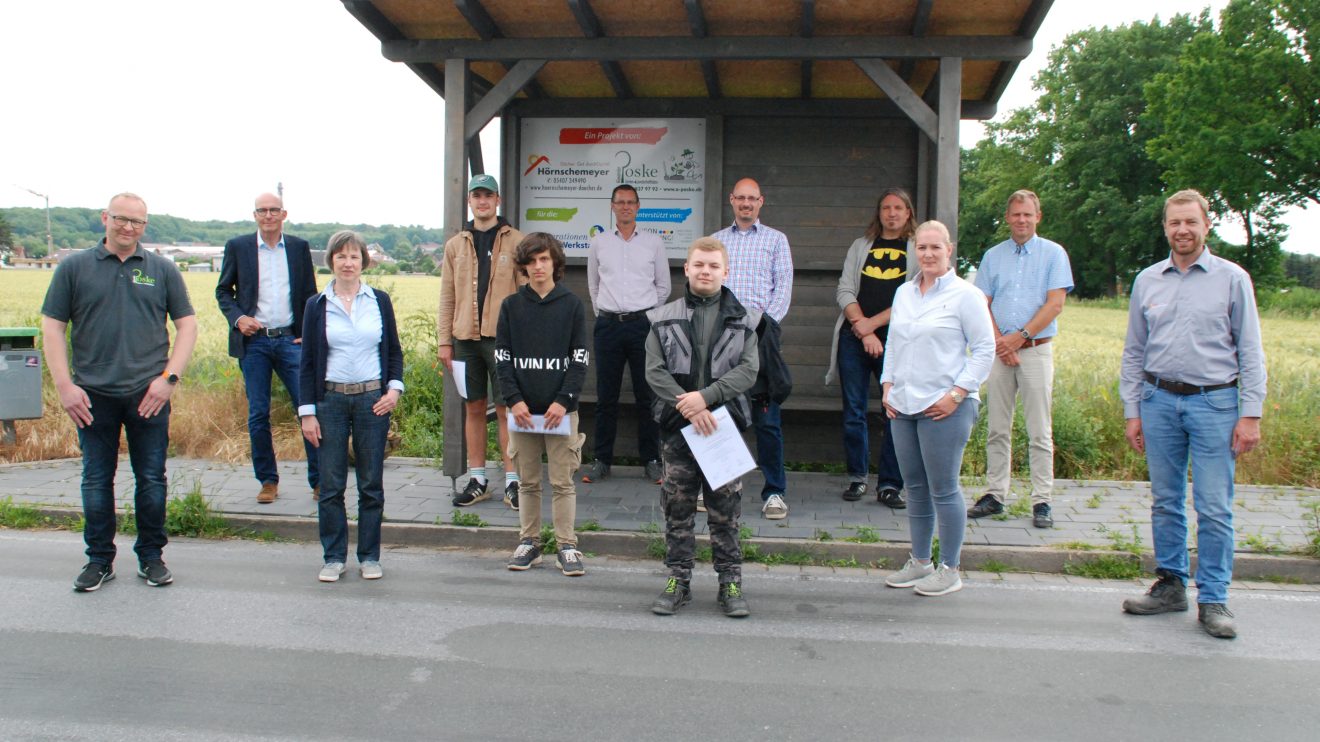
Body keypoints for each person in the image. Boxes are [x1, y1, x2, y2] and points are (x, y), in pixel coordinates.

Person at [1119, 189, 1266, 640]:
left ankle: (1215, 598)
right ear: (1165, 227)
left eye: (1190, 222)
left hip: (1215, 405)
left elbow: (1250, 349)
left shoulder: (1232, 279)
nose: (1182, 230)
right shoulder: (1148, 280)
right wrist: (1133, 410)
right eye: (1174, 223)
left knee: (1214, 506)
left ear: (1207, 224)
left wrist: (1251, 413)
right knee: (1165, 500)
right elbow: (1134, 351)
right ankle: (1170, 585)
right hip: (1159, 401)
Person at [41, 193, 198, 592]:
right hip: (92, 396)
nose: (128, 227)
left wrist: (169, 379)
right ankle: (99, 561)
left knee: (151, 479)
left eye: (137, 222)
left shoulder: (161, 269)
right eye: (121, 219)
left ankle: (151, 557)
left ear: (145, 226)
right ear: (104, 219)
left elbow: (188, 325)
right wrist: (65, 387)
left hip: (149, 395)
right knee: (96, 480)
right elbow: (53, 327)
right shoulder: (74, 267)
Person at [645, 237, 760, 618]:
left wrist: (706, 398)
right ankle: (678, 581)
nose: (705, 272)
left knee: (725, 510)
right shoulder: (663, 317)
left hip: (722, 428)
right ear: (687, 269)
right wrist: (689, 406)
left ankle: (730, 583)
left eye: (713, 266)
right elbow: (654, 371)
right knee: (677, 507)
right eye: (699, 265)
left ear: (726, 272)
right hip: (679, 428)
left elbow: (748, 369)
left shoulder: (745, 319)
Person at [880, 221, 994, 597]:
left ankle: (950, 567)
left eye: (935, 248)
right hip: (904, 403)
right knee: (914, 487)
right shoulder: (904, 293)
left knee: (943, 488)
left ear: (949, 250)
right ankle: (920, 561)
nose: (928, 254)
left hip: (945, 406)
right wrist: (887, 385)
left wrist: (958, 393)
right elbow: (894, 342)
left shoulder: (966, 296)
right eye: (922, 248)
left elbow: (984, 349)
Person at [299, 231, 404, 583]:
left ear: (364, 262)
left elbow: (392, 351)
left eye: (354, 257)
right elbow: (308, 363)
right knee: (330, 484)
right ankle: (333, 557)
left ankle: (369, 556)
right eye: (341, 256)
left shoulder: (379, 301)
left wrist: (394, 390)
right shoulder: (316, 305)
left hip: (372, 401)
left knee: (371, 483)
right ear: (331, 261)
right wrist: (307, 412)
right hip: (329, 401)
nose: (348, 262)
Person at [967, 190, 1074, 528]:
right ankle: (995, 493)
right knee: (997, 426)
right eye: (1015, 214)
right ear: (1008, 217)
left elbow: (1055, 304)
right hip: (1000, 351)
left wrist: (1021, 336)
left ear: (1037, 217)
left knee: (1039, 429)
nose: (1021, 220)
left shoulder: (1054, 254)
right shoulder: (992, 256)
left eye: (1027, 214)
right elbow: (983, 301)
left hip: (1036, 349)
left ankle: (1042, 500)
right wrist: (1001, 342)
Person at [216, 192, 320, 504]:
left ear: (284, 214)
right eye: (263, 210)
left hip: (291, 340)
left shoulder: (299, 248)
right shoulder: (239, 247)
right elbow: (223, 290)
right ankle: (268, 481)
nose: (269, 215)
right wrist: (238, 319)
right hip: (255, 342)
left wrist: (307, 332)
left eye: (274, 210)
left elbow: (309, 294)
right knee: (258, 413)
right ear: (255, 215)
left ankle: (319, 481)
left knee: (308, 408)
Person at [496, 233, 591, 575]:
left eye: (544, 259)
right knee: (527, 481)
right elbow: (502, 359)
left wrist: (563, 401)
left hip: (560, 412)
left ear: (555, 263)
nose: (538, 267)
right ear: (523, 267)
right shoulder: (511, 307)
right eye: (531, 261)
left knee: (563, 482)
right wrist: (514, 401)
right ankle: (530, 543)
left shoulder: (571, 305)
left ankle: (567, 546)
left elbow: (579, 359)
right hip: (524, 412)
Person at [825, 188, 919, 508]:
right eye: (885, 208)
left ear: (908, 213)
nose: (891, 213)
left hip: (897, 339)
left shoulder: (917, 250)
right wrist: (862, 329)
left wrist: (872, 325)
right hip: (855, 337)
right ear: (878, 213)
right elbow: (845, 289)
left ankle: (890, 483)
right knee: (854, 410)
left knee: (894, 409)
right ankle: (857, 477)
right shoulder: (861, 246)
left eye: (897, 208)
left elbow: (915, 297)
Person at [438, 175, 524, 509]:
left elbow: (526, 295)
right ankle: (478, 479)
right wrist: (444, 341)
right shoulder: (455, 245)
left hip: (503, 340)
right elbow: (447, 296)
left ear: (498, 200)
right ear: (470, 201)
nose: (482, 201)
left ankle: (513, 481)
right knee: (473, 407)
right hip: (464, 340)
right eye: (477, 195)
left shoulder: (517, 241)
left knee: (506, 410)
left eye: (488, 195)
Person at [711, 177, 793, 520]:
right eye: (740, 198)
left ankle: (774, 492)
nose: (746, 204)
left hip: (761, 338)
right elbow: (707, 286)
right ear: (731, 200)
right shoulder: (716, 241)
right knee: (719, 416)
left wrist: (761, 326)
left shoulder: (777, 241)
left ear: (761, 202)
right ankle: (718, 487)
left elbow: (783, 288)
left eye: (752, 199)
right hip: (721, 340)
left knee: (767, 419)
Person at [582, 184, 670, 485]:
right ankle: (602, 460)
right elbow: (593, 285)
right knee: (606, 396)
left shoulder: (654, 243)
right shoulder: (599, 243)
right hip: (608, 326)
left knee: (647, 396)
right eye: (620, 202)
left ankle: (651, 460)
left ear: (638, 206)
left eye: (631, 202)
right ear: (612, 206)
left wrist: (646, 316)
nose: (625, 207)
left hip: (642, 326)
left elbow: (664, 287)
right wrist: (605, 312)